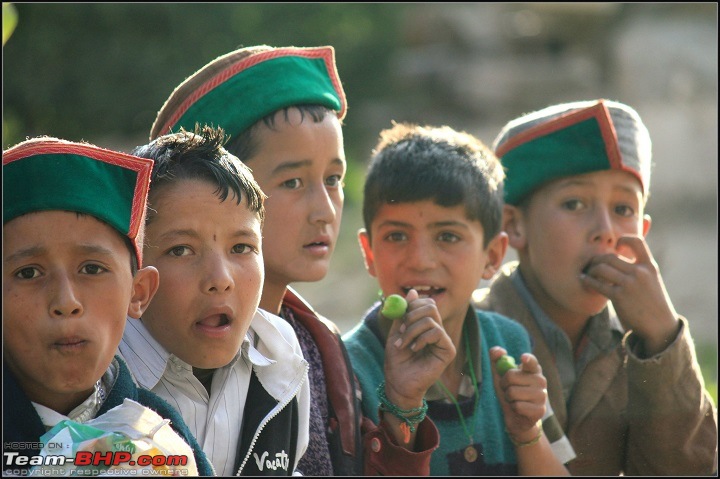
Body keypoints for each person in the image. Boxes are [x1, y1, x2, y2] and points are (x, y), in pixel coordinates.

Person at [148, 45, 455, 475]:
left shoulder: (317, 348)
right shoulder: (160, 349)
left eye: (334, 179)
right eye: (293, 181)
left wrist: (402, 404)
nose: (324, 209)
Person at [472, 98, 718, 475]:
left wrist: (662, 341)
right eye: (574, 203)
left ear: (643, 233)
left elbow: (688, 469)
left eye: (623, 210)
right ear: (514, 226)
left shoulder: (641, 349)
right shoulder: (470, 335)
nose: (605, 230)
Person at [342, 122, 573, 476]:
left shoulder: (509, 347)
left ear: (493, 256)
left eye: (447, 236)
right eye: (397, 236)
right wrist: (401, 402)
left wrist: (527, 433)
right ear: (369, 253)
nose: (420, 259)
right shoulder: (348, 372)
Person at [2, 137, 213, 476]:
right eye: (28, 273)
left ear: (138, 292)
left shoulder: (160, 436)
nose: (66, 302)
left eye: (91, 269)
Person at [118, 125, 311, 476]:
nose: (220, 279)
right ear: (134, 274)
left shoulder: (280, 359)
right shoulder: (102, 379)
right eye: (181, 250)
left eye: (242, 248)